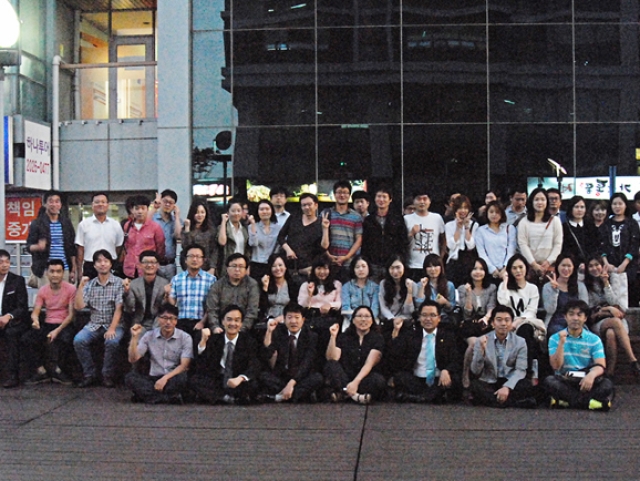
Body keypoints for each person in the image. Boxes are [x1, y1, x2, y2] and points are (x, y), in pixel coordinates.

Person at [543, 300, 614, 411]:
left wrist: (591, 376)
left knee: (607, 384)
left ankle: (567, 402)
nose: (575, 318)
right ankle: (589, 403)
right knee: (549, 381)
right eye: (571, 314)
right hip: (565, 379)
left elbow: (600, 365)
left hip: (586, 378)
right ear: (565, 317)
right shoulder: (555, 338)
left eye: (579, 315)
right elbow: (556, 367)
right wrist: (561, 343)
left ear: (585, 318)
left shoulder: (594, 339)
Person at [387, 300, 462, 403]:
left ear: (439, 318)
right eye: (424, 315)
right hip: (417, 378)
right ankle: (427, 397)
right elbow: (395, 354)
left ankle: (416, 397)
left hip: (438, 378)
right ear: (419, 317)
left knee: (454, 380)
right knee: (400, 377)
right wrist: (396, 331)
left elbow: (456, 359)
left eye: (432, 315)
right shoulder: (411, 335)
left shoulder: (447, 336)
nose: (428, 319)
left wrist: (446, 370)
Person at [73, 250, 125, 388]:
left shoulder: (119, 283)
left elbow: (119, 308)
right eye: (99, 261)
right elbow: (79, 306)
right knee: (79, 340)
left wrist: (112, 328)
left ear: (110, 264)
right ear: (94, 265)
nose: (103, 264)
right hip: (94, 324)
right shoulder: (90, 284)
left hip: (115, 324)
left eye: (106, 261)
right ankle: (89, 374)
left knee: (112, 341)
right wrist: (81, 286)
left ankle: (107, 375)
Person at [189, 305, 261, 404]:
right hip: (218, 379)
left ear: (241, 323)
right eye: (229, 319)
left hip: (237, 379)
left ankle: (225, 397)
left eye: (237, 320)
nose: (233, 323)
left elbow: (254, 364)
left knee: (254, 383)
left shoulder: (249, 341)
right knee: (195, 380)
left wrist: (240, 378)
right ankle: (224, 397)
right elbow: (202, 363)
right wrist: (203, 341)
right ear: (222, 322)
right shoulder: (215, 339)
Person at [470, 305, 537, 408]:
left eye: (507, 320)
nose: (503, 323)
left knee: (526, 385)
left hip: (510, 379)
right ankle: (512, 403)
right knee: (475, 385)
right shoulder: (482, 340)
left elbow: (521, 370)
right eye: (499, 320)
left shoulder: (520, 342)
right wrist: (481, 352)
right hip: (491, 381)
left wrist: (507, 387)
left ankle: (495, 401)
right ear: (492, 323)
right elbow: (475, 370)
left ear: (511, 323)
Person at [585, 256, 640, 378]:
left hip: (618, 321)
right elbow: (589, 309)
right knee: (614, 322)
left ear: (602, 266)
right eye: (591, 266)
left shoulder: (613, 279)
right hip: (597, 322)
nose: (594, 268)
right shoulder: (586, 284)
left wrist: (606, 283)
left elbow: (618, 305)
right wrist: (608, 309)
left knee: (611, 333)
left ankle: (609, 373)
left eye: (597, 265)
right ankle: (632, 360)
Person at [125, 303, 192, 404]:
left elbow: (184, 365)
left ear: (176, 321)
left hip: (172, 377)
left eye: (172, 319)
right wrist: (134, 337)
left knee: (183, 378)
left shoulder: (185, 337)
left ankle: (150, 397)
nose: (168, 322)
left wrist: (165, 379)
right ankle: (168, 398)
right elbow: (133, 359)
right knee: (130, 378)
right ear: (159, 319)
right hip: (153, 378)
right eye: (165, 318)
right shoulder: (149, 335)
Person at [25, 259, 76, 385]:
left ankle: (59, 371)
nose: (55, 274)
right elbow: (36, 311)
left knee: (67, 339)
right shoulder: (43, 290)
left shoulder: (71, 289)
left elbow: (71, 315)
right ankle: (41, 371)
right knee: (27, 339)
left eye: (58, 271)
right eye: (52, 271)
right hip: (48, 322)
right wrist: (35, 320)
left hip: (64, 323)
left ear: (63, 273)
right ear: (47, 273)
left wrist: (56, 331)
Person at [258, 303, 323, 402]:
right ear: (284, 319)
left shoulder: (311, 336)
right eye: (289, 317)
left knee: (317, 378)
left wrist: (292, 383)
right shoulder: (278, 332)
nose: (293, 321)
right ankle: (296, 395)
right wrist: (269, 332)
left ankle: (279, 397)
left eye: (297, 317)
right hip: (283, 376)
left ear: (303, 320)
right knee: (263, 375)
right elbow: (267, 354)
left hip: (301, 376)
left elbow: (307, 363)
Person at [325, 306, 386, 404]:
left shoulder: (377, 338)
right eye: (359, 316)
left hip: (364, 378)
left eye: (367, 316)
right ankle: (355, 396)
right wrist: (333, 336)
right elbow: (332, 357)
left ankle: (344, 393)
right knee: (331, 365)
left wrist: (355, 382)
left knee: (378, 380)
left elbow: (369, 364)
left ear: (372, 320)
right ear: (353, 320)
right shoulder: (344, 336)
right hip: (346, 376)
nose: (363, 319)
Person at [496, 254, 545, 373]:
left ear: (526, 268)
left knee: (525, 329)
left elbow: (531, 311)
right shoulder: (504, 286)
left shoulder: (532, 288)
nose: (518, 271)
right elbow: (503, 302)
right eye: (514, 268)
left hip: (527, 323)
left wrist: (518, 321)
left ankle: (525, 370)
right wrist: (505, 281)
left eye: (520, 267)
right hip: (508, 323)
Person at [458, 258, 497, 389]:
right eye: (474, 269)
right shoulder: (462, 288)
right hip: (469, 324)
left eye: (481, 269)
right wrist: (469, 294)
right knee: (474, 343)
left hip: (485, 323)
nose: (478, 272)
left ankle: (484, 377)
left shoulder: (491, 288)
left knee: (485, 343)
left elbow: (491, 306)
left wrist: (486, 317)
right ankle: (465, 373)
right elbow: (467, 313)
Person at [26, 190, 77, 286]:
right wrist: (38, 247)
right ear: (45, 204)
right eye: (51, 201)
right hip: (45, 269)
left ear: (60, 204)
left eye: (57, 201)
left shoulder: (66, 223)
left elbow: (72, 248)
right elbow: (28, 246)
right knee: (46, 295)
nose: (54, 204)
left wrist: (73, 268)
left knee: (65, 295)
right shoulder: (37, 223)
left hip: (64, 268)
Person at [599, 192, 640, 308]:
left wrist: (625, 263)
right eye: (614, 204)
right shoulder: (606, 224)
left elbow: (634, 245)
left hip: (629, 266)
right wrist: (606, 263)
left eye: (620, 204)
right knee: (612, 297)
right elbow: (602, 245)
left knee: (630, 297)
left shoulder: (632, 223)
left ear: (626, 205)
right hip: (610, 266)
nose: (617, 206)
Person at [167, 244, 216, 339]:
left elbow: (212, 306)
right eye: (191, 256)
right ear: (185, 260)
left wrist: (202, 322)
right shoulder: (177, 279)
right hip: (181, 322)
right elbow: (172, 304)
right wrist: (167, 294)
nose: (194, 259)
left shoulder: (211, 280)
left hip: (202, 321)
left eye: (198, 256)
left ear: (203, 260)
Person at [516, 187, 563, 283]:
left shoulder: (555, 221)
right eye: (536, 199)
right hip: (530, 268)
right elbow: (523, 244)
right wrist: (534, 264)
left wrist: (548, 262)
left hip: (549, 267)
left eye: (543, 199)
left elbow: (558, 244)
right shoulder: (524, 222)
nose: (540, 202)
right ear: (531, 202)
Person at [361, 185, 408, 280]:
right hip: (373, 263)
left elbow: (403, 240)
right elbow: (365, 242)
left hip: (392, 263)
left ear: (390, 199)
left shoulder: (397, 219)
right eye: (379, 196)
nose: (381, 200)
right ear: (374, 199)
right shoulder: (369, 220)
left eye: (384, 197)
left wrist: (400, 258)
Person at [204, 253, 260, 332]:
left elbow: (252, 310)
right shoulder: (217, 285)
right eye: (234, 266)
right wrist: (215, 327)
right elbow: (212, 309)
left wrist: (241, 329)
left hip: (244, 329)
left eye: (241, 266)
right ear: (227, 268)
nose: (237, 269)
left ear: (246, 269)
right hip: (221, 328)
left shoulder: (252, 285)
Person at [277, 193, 328, 278]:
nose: (307, 207)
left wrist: (325, 228)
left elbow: (324, 247)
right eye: (304, 205)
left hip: (308, 267)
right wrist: (288, 250)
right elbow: (280, 237)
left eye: (309, 204)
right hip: (289, 265)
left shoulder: (321, 222)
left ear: (316, 205)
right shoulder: (294, 218)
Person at [75, 192, 124, 279]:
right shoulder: (83, 225)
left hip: (111, 265)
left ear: (108, 205)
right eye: (97, 202)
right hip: (90, 266)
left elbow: (119, 247)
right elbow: (80, 249)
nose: (100, 204)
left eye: (103, 202)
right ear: (92, 205)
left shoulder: (115, 225)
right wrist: (79, 270)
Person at [321, 180, 363, 281]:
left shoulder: (356, 216)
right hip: (328, 264)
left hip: (349, 264)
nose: (342, 195)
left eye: (345, 193)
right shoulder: (325, 214)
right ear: (334, 194)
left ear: (349, 195)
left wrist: (346, 257)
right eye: (339, 192)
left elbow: (359, 239)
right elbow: (319, 237)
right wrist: (329, 256)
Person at [0, 249, 29, 388]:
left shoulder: (17, 281)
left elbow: (22, 307)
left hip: (12, 321)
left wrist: (8, 316)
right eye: (1, 262)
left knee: (11, 334)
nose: (5, 265)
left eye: (7, 261)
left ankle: (12, 376)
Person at [123, 251, 170, 335]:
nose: (149, 265)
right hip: (140, 323)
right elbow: (130, 309)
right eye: (146, 262)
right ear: (139, 265)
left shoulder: (165, 283)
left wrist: (167, 295)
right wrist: (127, 292)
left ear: (158, 265)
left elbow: (165, 308)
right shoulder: (133, 284)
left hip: (158, 322)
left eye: (153, 262)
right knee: (137, 338)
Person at [542, 254, 589, 336]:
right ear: (557, 267)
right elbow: (550, 310)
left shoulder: (580, 286)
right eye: (563, 265)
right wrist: (554, 291)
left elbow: (585, 308)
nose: (566, 269)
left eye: (569, 266)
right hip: (556, 322)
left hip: (576, 321)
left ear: (573, 268)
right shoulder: (548, 286)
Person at [121, 195, 166, 279]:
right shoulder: (127, 225)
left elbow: (160, 247)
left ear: (147, 209)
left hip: (148, 268)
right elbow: (126, 246)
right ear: (132, 210)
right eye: (137, 208)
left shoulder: (155, 227)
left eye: (143, 208)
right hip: (130, 268)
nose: (140, 211)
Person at [405, 190, 445, 280]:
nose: (422, 202)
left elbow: (443, 239)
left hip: (432, 266)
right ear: (414, 201)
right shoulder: (406, 219)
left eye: (425, 199)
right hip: (413, 265)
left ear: (429, 201)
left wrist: (440, 258)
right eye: (419, 199)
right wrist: (411, 233)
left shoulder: (437, 218)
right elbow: (401, 242)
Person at [475, 200, 517, 283]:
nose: (494, 214)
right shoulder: (481, 231)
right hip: (488, 272)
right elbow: (482, 253)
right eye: (491, 212)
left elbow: (511, 250)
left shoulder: (509, 228)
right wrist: (493, 269)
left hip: (507, 271)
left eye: (497, 212)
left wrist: (505, 268)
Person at [378, 255, 425, 326]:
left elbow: (409, 312)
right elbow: (383, 307)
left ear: (404, 267)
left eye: (398, 267)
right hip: (388, 321)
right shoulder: (383, 284)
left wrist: (409, 292)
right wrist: (392, 319)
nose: (395, 271)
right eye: (392, 268)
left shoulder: (412, 284)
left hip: (406, 322)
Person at [444, 194, 478, 286]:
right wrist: (458, 228)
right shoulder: (449, 225)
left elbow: (471, 245)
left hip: (469, 262)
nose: (463, 211)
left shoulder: (474, 225)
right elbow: (451, 246)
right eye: (460, 208)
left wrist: (466, 227)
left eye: (465, 208)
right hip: (454, 262)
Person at [341, 256, 380, 329]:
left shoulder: (375, 287)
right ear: (353, 269)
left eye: (363, 266)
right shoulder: (346, 287)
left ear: (369, 268)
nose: (361, 269)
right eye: (357, 267)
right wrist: (356, 320)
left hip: (371, 320)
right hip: (351, 320)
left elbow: (375, 308)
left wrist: (367, 319)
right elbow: (346, 307)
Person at [151, 189, 182, 280]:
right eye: (165, 201)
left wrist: (177, 217)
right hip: (154, 263)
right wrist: (154, 207)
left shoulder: (176, 221)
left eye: (171, 203)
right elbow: (144, 224)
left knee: (171, 287)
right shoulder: (153, 218)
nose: (168, 204)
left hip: (170, 264)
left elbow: (178, 236)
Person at [181, 198, 217, 275]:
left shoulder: (211, 230)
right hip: (190, 266)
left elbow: (214, 250)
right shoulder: (187, 228)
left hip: (206, 267)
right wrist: (187, 229)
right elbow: (186, 247)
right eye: (197, 212)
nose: (200, 215)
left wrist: (212, 268)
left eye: (202, 212)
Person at [561, 195, 600, 267]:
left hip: (590, 266)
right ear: (571, 208)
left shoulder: (590, 226)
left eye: (582, 207)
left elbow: (595, 247)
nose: (579, 210)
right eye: (576, 207)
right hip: (571, 266)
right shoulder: (564, 227)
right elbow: (565, 249)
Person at [248, 199, 282, 281]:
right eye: (261, 209)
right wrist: (253, 224)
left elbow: (279, 245)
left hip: (272, 264)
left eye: (267, 209)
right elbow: (253, 243)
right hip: (256, 264)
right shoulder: (252, 226)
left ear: (272, 211)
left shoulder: (278, 228)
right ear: (258, 212)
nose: (264, 211)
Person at [217, 198, 250, 277]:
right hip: (228, 266)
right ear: (228, 212)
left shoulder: (244, 229)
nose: (236, 213)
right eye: (233, 211)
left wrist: (247, 266)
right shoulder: (223, 227)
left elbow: (247, 250)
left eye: (238, 211)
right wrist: (223, 221)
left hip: (242, 266)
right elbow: (222, 242)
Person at [422, 254, 457, 325]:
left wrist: (445, 302)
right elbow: (418, 305)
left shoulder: (449, 285)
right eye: (429, 266)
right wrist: (422, 287)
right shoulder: (420, 284)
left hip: (443, 320)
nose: (433, 269)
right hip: (426, 320)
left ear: (441, 267)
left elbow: (452, 307)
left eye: (435, 266)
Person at [259, 253, 292, 324]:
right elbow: (262, 307)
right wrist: (265, 287)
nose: (277, 268)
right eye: (274, 266)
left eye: (280, 265)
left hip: (287, 319)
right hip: (268, 320)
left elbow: (295, 306)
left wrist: (283, 317)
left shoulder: (292, 284)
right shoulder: (265, 282)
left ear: (285, 267)